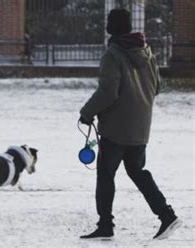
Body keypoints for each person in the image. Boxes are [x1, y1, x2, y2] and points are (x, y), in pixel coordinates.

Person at [78, 9, 182, 240]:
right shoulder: (146, 50)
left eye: (108, 22)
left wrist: (87, 113)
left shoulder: (112, 54)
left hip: (115, 129)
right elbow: (157, 88)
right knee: (137, 171)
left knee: (105, 175)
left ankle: (105, 226)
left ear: (112, 26)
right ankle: (167, 215)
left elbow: (108, 92)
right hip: (140, 127)